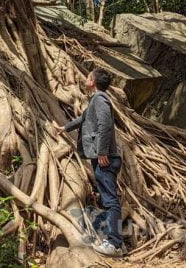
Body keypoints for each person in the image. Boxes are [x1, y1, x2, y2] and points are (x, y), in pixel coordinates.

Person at [62, 68, 124, 257]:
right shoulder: (95, 100)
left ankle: (114, 244)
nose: (85, 79)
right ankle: (113, 242)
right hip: (103, 156)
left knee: (110, 200)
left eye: (88, 77)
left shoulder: (100, 98)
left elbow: (105, 124)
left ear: (93, 82)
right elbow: (85, 118)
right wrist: (65, 127)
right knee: (107, 199)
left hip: (105, 157)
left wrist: (102, 151)